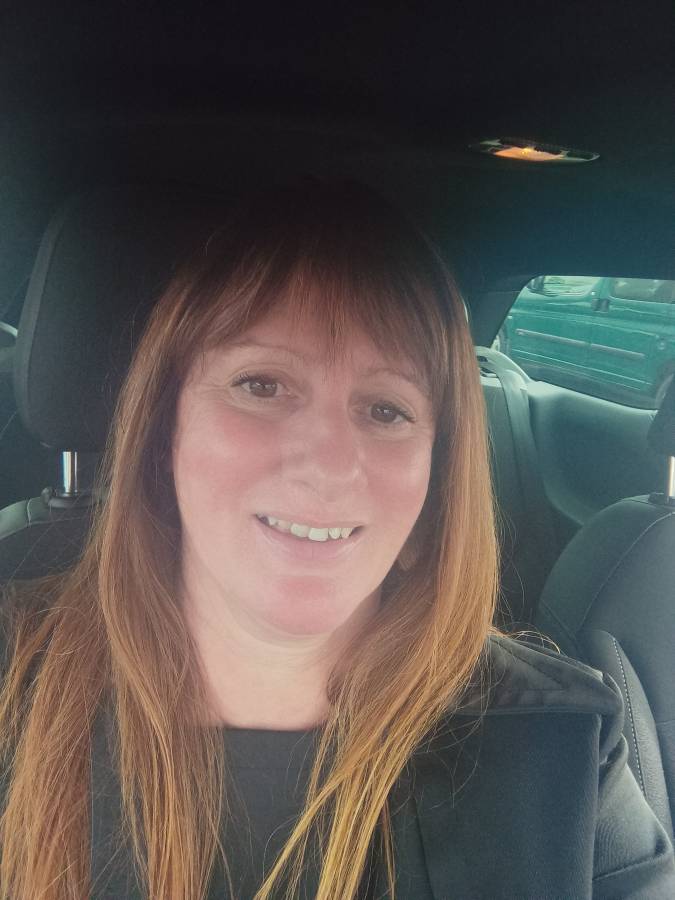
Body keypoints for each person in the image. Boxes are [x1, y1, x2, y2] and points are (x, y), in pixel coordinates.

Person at [0, 178, 673, 900]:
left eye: (386, 409)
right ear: (164, 432)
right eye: (262, 385)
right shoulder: (15, 685)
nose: (327, 466)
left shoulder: (563, 747)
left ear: (435, 479)